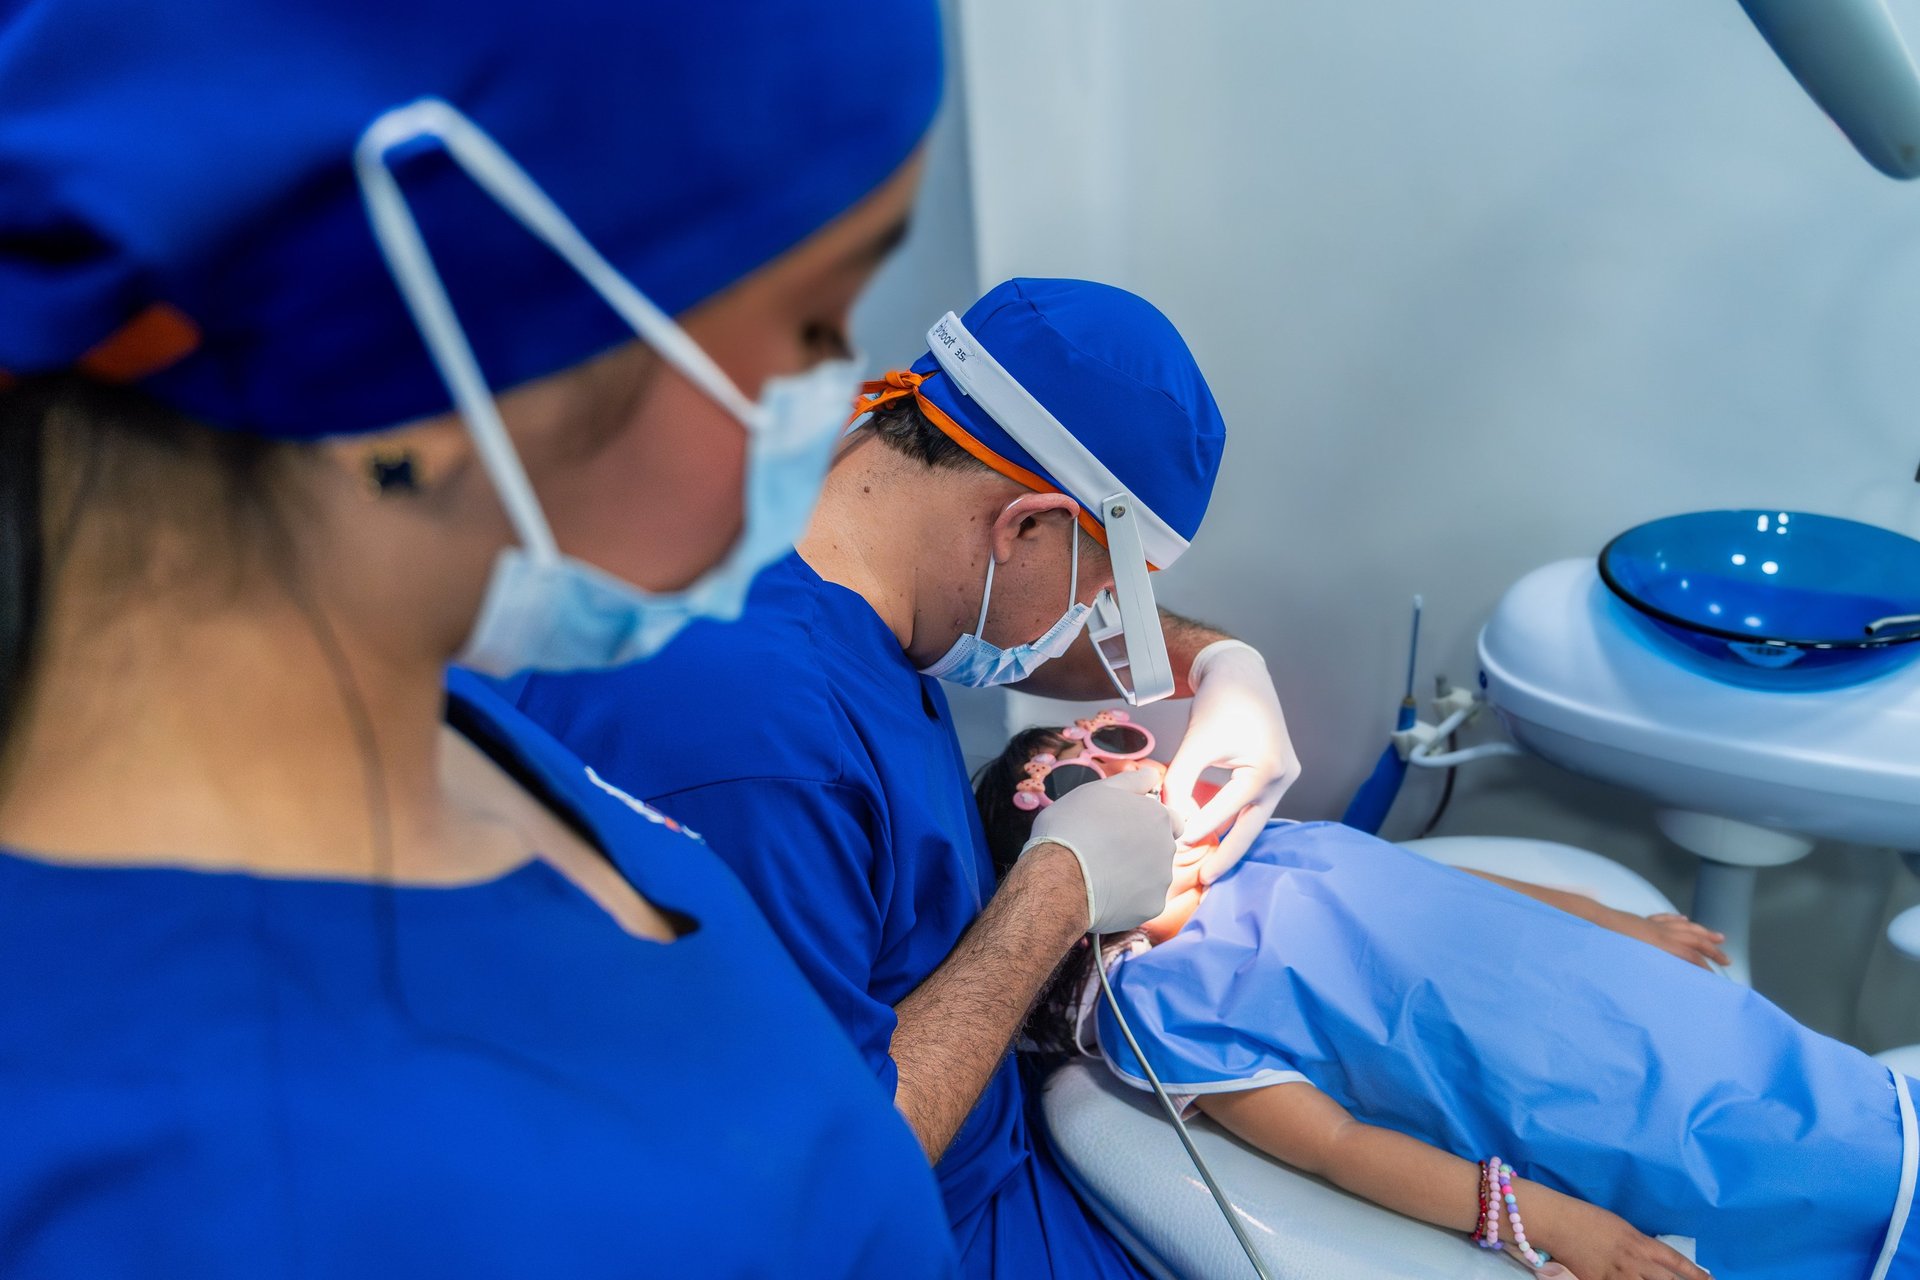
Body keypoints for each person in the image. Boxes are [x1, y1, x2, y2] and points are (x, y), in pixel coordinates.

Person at [0, 2, 961, 1274]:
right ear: (440, 328)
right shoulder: (232, 1190)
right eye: (814, 323)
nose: (839, 394)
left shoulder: (422, 706)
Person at [506, 277, 1301, 1277]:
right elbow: (822, 1173)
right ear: (1023, 524)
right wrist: (1058, 889)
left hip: (989, 1148)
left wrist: (1214, 663)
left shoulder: (826, 485)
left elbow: (998, 615)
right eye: (1099, 596)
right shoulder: (751, 744)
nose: (1083, 632)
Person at [974, 722, 1917, 1280]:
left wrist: (1611, 921)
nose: (1169, 814)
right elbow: (1340, 1148)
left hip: (1622, 996)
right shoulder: (1159, 1005)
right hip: (1577, 1097)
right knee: (1808, 1167)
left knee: (1799, 1072)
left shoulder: (1268, 844)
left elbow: (1453, 888)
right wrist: (1559, 1227)